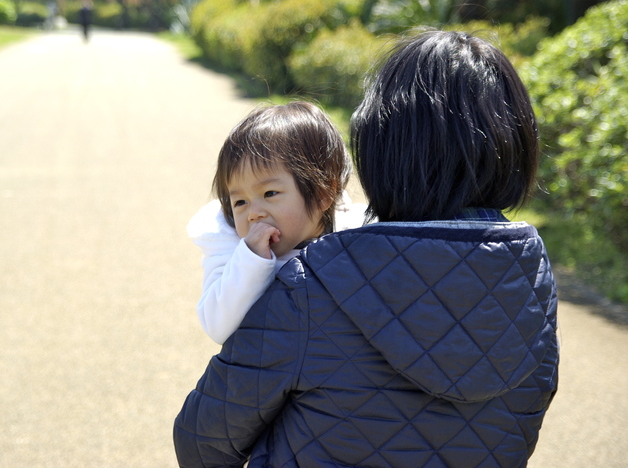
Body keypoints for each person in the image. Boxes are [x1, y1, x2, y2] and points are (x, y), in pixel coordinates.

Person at [174, 30, 559, 467]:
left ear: (381, 147)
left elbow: (202, 441)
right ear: (517, 143)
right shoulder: (534, 281)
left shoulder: (311, 283)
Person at [186, 101, 364, 344]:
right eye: (240, 202)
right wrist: (250, 259)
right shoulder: (228, 249)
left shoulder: (357, 234)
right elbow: (217, 326)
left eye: (269, 194)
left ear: (323, 194)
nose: (253, 213)